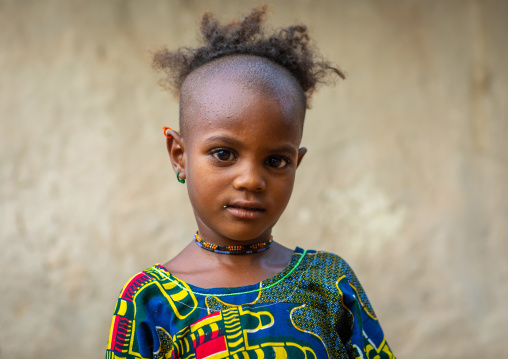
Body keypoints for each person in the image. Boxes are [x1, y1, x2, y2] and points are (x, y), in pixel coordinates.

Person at [106, 6, 395, 359]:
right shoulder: (149, 301)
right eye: (224, 154)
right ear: (179, 154)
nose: (250, 180)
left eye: (276, 161)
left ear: (296, 164)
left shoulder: (329, 282)